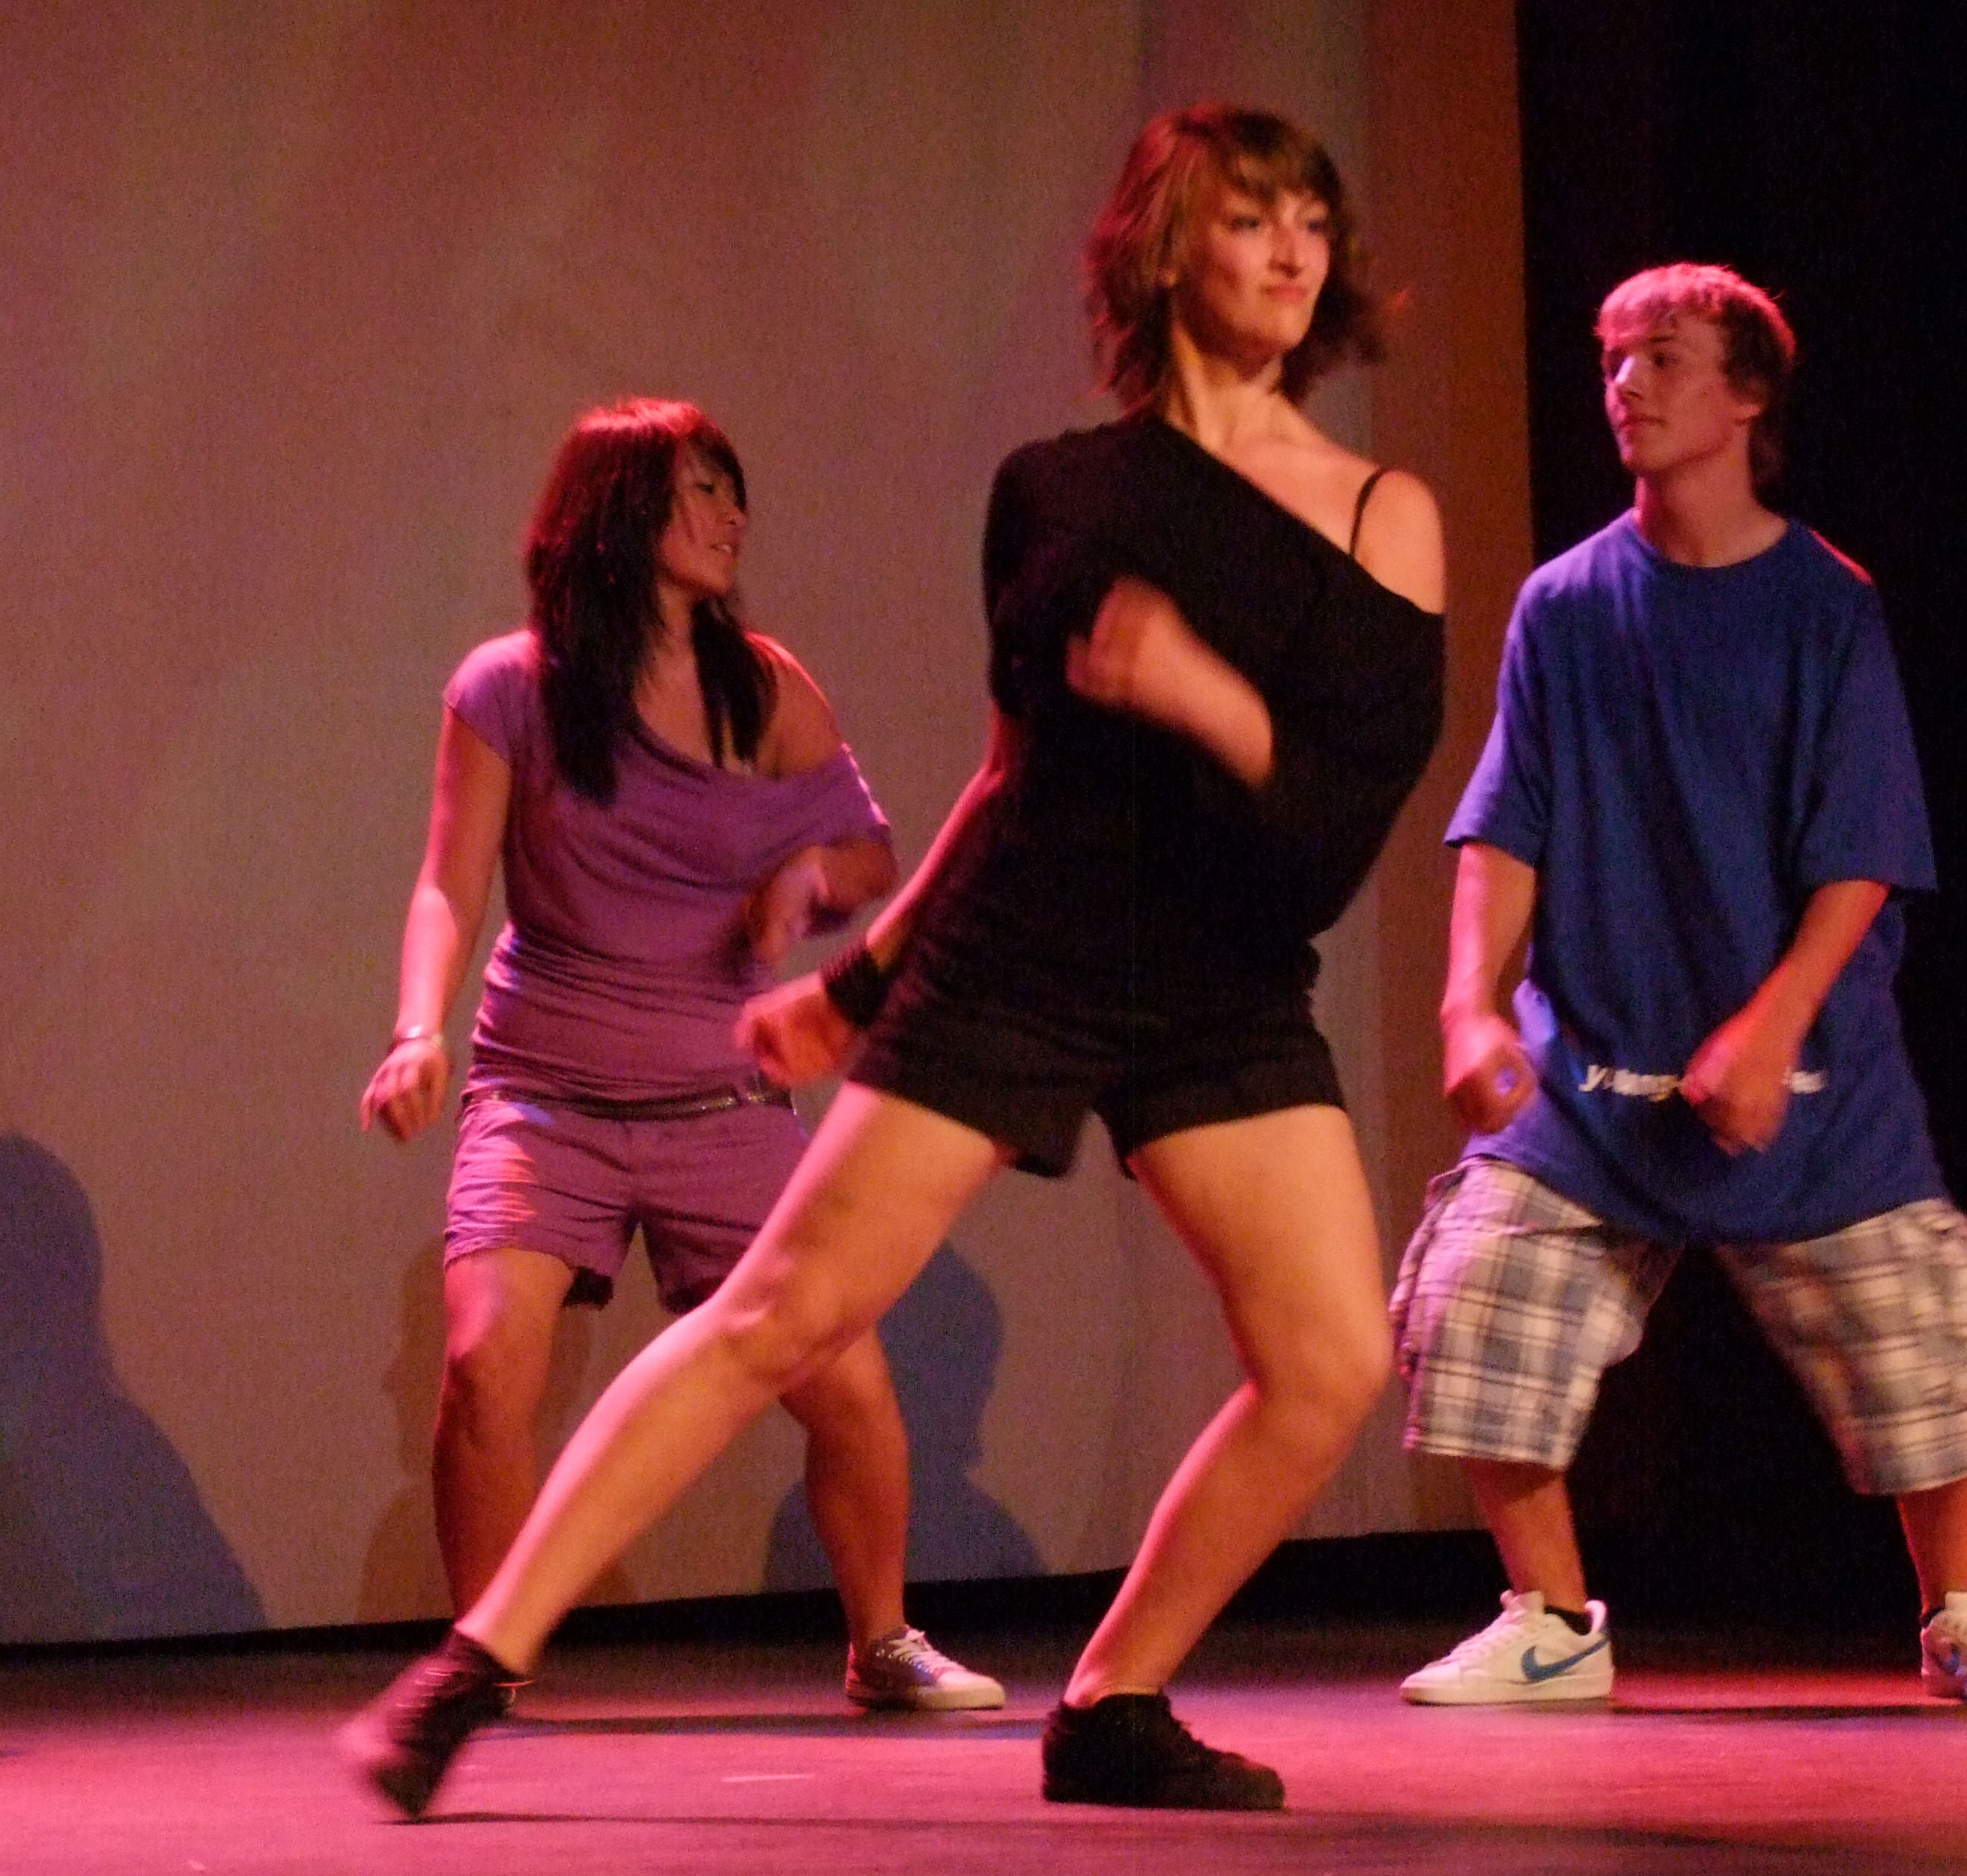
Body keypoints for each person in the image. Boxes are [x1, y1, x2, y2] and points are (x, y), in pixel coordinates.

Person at [342, 105, 1445, 1815]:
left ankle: (1113, 1700)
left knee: (1329, 1365)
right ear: (1167, 252)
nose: (1295, 250)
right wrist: (859, 986)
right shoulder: (1055, 493)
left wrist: (1196, 689)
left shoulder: (1381, 515)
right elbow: (1012, 785)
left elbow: (1326, 832)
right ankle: (469, 1665)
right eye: (1252, 218)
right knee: (781, 1313)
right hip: (1020, 960)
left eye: (1313, 218)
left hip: (1224, 981)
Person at [1389, 262, 1967, 1708]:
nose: (1624, 384)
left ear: (1748, 396)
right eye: (1613, 358)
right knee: (1477, 1299)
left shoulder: (1825, 605)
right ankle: (1551, 1618)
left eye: (1664, 358)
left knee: (1925, 1356)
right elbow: (1508, 825)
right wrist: (1467, 1002)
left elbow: (1862, 849)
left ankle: (1957, 1610)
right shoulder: (1566, 605)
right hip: (1598, 1066)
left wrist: (1772, 1023)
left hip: (1806, 1068)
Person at [357, 396, 999, 1713]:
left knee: (849, 1384)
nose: (730, 514)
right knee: (484, 1365)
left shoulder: (761, 687)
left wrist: (809, 876)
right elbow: (447, 886)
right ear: (615, 516)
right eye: (700, 489)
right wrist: (419, 1029)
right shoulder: (510, 688)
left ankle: (883, 1639)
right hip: (545, 1096)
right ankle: (486, 1665)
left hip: (723, 1098)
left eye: (731, 490)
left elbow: (873, 855)